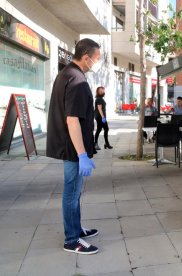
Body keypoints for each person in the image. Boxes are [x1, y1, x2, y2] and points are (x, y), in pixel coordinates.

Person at [46, 38, 101, 255]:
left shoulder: (67, 73)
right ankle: (71, 240)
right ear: (86, 57)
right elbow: (73, 120)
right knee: (71, 193)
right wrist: (82, 154)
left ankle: (77, 229)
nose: (98, 62)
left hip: (70, 146)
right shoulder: (77, 80)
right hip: (72, 149)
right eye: (97, 58)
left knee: (75, 192)